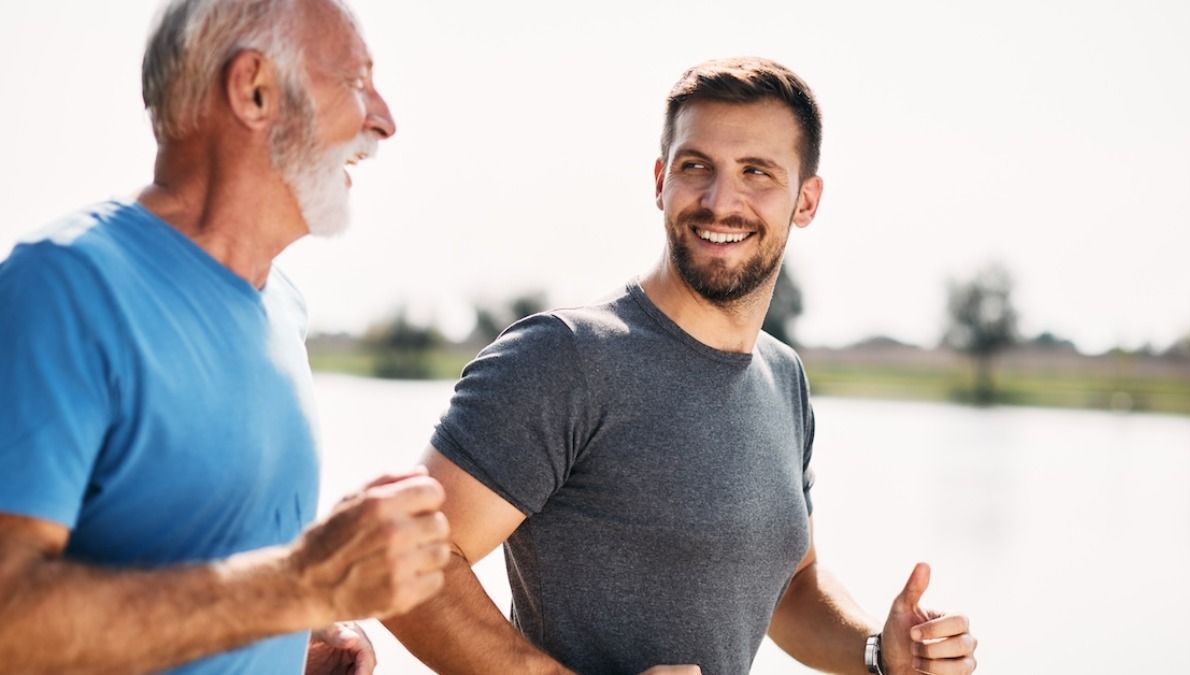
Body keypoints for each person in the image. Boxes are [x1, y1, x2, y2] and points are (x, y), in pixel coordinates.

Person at [383, 58, 978, 675]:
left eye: (758, 173)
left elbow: (790, 585)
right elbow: (402, 564)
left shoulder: (783, 378)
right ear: (661, 180)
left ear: (807, 200)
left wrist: (879, 653)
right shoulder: (564, 357)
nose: (722, 202)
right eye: (697, 167)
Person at [0, 1, 451, 673]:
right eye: (357, 81)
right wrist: (303, 584)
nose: (383, 118)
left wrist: (293, 633)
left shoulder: (284, 308)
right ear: (255, 89)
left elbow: (216, 572)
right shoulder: (64, 285)